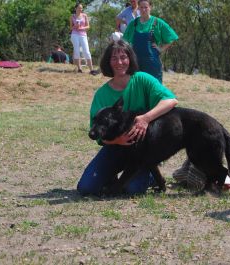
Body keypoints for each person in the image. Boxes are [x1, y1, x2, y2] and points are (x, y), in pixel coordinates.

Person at [77, 40, 178, 196]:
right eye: (114, 58)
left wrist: (145, 118)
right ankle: (110, 175)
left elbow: (171, 100)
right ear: (108, 62)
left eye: (123, 57)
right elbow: (97, 135)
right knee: (86, 188)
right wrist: (117, 141)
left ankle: (150, 175)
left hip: (143, 150)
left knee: (132, 190)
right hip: (114, 148)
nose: (119, 62)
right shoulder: (102, 94)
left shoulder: (143, 79)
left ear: (130, 59)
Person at [122, 0, 178, 83]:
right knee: (137, 88)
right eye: (141, 7)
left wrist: (161, 49)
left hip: (152, 64)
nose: (143, 10)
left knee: (154, 89)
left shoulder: (157, 22)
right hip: (136, 63)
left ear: (150, 8)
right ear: (138, 8)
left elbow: (172, 38)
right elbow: (124, 41)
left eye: (146, 7)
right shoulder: (134, 23)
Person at [70, 3, 97, 75]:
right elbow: (71, 28)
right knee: (77, 50)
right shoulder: (72, 16)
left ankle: (91, 69)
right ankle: (79, 68)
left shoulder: (84, 15)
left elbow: (88, 26)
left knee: (87, 51)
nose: (80, 9)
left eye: (81, 8)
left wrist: (81, 28)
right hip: (75, 34)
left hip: (83, 35)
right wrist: (75, 26)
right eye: (79, 8)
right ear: (75, 8)